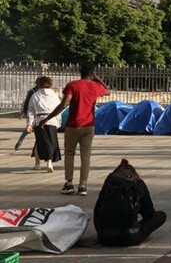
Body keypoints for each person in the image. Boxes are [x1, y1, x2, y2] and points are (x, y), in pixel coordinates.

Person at [39, 62, 110, 196]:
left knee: (70, 154)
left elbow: (64, 104)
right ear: (92, 74)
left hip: (73, 125)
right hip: (88, 126)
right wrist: (99, 79)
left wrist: (47, 119)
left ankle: (69, 183)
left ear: (80, 72)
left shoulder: (73, 85)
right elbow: (108, 92)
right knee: (86, 156)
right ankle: (83, 185)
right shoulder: (95, 86)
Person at [94, 159, 167, 246]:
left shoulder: (108, 184)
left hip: (104, 238)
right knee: (160, 215)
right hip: (129, 237)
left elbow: (97, 211)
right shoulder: (138, 184)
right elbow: (149, 214)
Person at [26, 76, 62, 172]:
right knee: (50, 141)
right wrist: (58, 122)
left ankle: (37, 163)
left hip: (39, 120)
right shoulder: (54, 95)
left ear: (39, 84)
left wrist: (29, 124)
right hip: (52, 120)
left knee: (39, 141)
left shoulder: (35, 95)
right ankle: (49, 162)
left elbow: (30, 110)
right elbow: (59, 108)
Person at [15, 78, 41, 151]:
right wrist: (23, 112)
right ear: (36, 83)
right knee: (28, 130)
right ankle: (19, 142)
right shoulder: (31, 92)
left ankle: (37, 146)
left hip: (40, 112)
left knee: (39, 130)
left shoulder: (42, 91)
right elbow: (26, 102)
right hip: (32, 112)